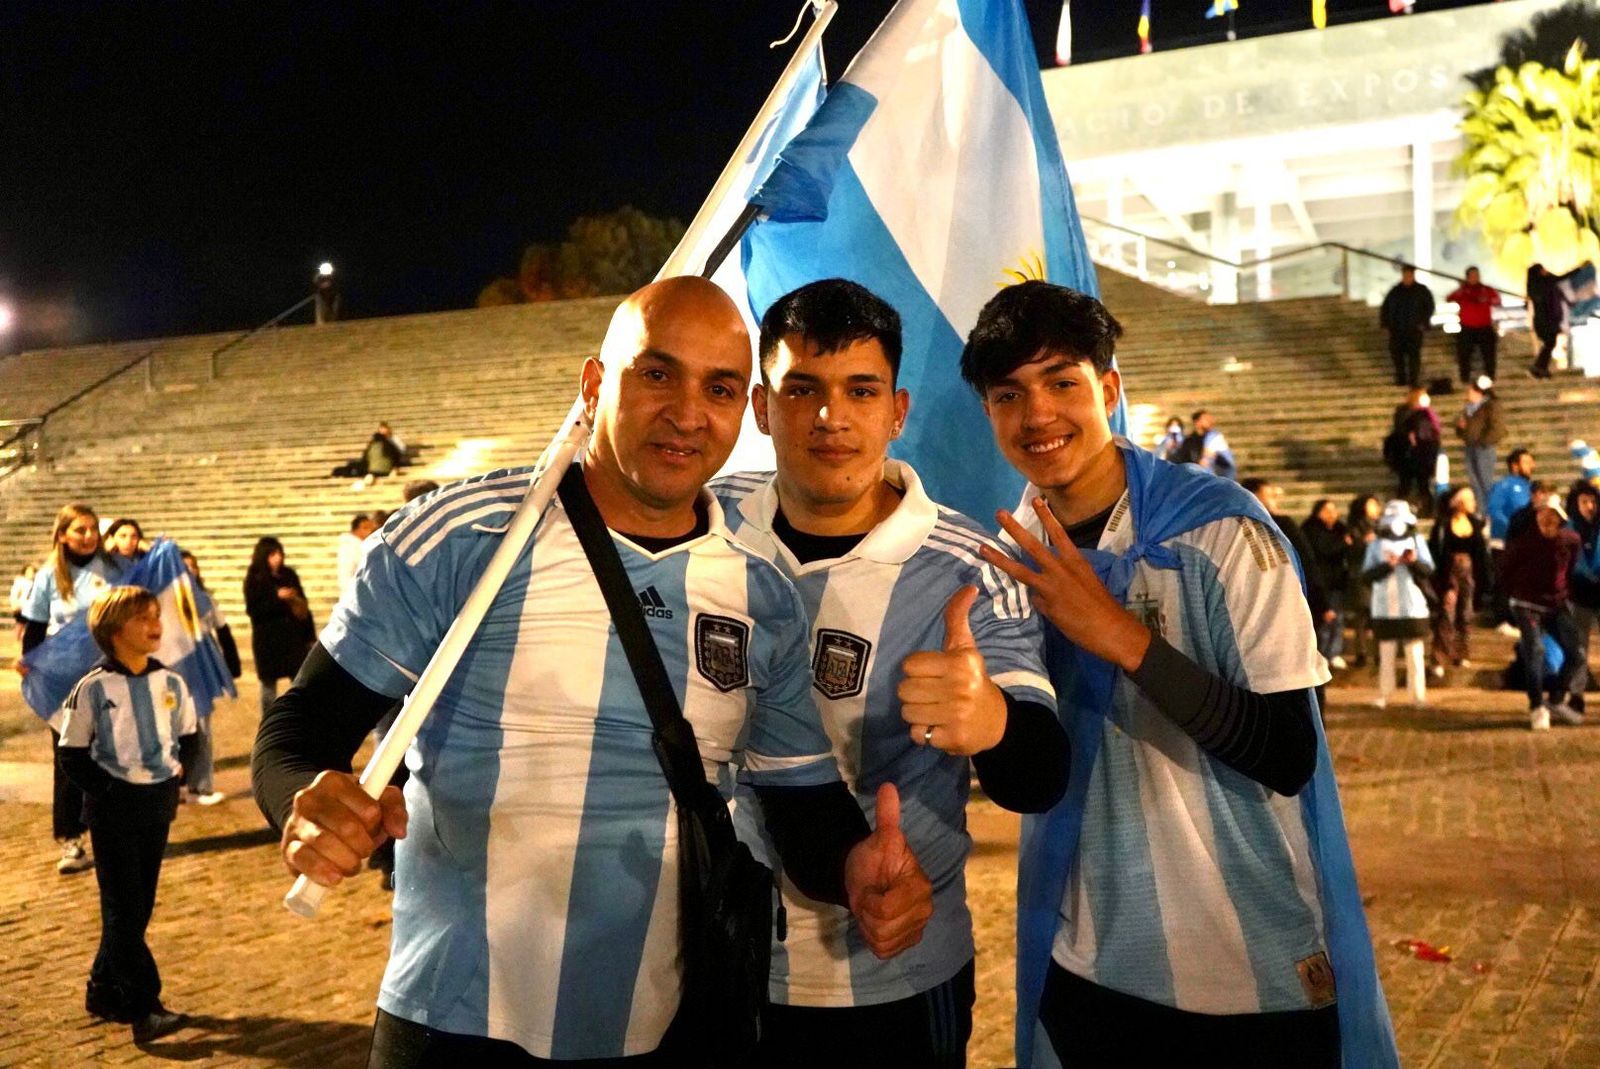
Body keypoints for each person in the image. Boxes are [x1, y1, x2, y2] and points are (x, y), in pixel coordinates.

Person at [252, 277, 936, 1066]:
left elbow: (800, 801)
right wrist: (299, 798)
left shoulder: (760, 590)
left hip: (661, 1028)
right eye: (656, 373)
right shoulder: (465, 537)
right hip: (457, 1019)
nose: (687, 412)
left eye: (717, 387)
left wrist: (857, 867)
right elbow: (301, 727)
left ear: (742, 408)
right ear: (593, 383)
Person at [958, 281, 1393, 1068]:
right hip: (1090, 962)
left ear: (1111, 389)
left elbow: (1290, 751)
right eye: (1008, 393)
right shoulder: (1010, 558)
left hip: (1250, 966)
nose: (1038, 415)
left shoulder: (1224, 532)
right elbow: (1027, 775)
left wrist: (1122, 638)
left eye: (1063, 382)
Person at [711, 279, 1068, 1068]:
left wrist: (993, 722)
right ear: (763, 408)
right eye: (802, 389)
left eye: (859, 391)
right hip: (707, 971)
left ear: (897, 411)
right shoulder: (707, 524)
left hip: (888, 978)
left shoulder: (967, 566)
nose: (830, 417)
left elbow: (1039, 772)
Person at [56, 585, 197, 1041]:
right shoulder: (93, 687)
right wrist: (107, 790)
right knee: (124, 908)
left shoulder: (171, 681)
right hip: (113, 810)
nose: (155, 624)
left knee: (136, 910)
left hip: (157, 805)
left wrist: (178, 776)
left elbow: (190, 736)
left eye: (156, 615)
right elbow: (72, 753)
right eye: (143, 618)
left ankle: (101, 989)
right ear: (115, 631)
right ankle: (143, 1006)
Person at [20, 503, 123, 876]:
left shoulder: (114, 569)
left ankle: (111, 831)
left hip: (112, 675)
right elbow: (34, 630)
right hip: (65, 682)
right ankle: (71, 838)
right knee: (69, 760)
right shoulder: (49, 577)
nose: (88, 536)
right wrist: (32, 667)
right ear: (62, 534)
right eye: (80, 530)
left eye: (93, 528)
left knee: (113, 755)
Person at [1500, 501, 1585, 729]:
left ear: (1560, 520)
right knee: (1535, 650)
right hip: (1526, 603)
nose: (1548, 521)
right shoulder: (1523, 544)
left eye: (1553, 517)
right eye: (1544, 516)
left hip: (1555, 604)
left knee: (1577, 654)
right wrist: (1512, 599)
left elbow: (1569, 568)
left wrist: (1565, 595)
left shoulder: (1570, 541)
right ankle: (1536, 706)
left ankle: (1556, 698)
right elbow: (1505, 571)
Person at [180, 550, 240, 806]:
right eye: (183, 567)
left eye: (193, 566)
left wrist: (232, 663)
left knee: (203, 726)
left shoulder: (205, 598)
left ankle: (201, 785)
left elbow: (222, 629)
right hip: (176, 668)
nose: (189, 571)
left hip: (201, 667)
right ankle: (177, 785)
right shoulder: (163, 600)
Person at [1362, 500, 1434, 708]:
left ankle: (1418, 695)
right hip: (1384, 605)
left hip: (1412, 604)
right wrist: (1388, 565)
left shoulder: (1417, 541)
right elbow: (1366, 575)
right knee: (1386, 653)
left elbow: (1428, 570)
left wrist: (1412, 561)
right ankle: (1385, 693)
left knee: (1415, 654)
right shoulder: (1375, 544)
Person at [242, 537, 314, 719]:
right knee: (268, 686)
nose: (278, 558)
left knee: (299, 681)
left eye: (279, 553)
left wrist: (309, 635)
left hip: (292, 638)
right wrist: (276, 598)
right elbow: (254, 611)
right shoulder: (255, 579)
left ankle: (300, 718)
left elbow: (304, 606)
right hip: (268, 641)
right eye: (273, 554)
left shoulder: (288, 574)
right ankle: (268, 722)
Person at [1427, 486, 1488, 675]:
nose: (1473, 503)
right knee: (1447, 613)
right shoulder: (1444, 525)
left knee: (1466, 613)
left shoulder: (1475, 523)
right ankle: (1439, 657)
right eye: (1469, 499)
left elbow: (1480, 554)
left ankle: (1462, 654)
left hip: (1469, 573)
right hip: (1449, 573)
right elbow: (1436, 552)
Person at [1301, 499, 1351, 669]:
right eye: (1326, 510)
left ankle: (1334, 653)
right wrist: (1343, 543)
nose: (1331, 514)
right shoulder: (1310, 530)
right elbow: (1323, 550)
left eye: (1334, 510)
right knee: (1323, 620)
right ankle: (1320, 653)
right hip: (1320, 583)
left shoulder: (1341, 530)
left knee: (1338, 619)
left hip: (1337, 582)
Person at [1566, 480, 1600, 713]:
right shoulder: (1569, 528)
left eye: (1592, 502)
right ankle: (1576, 694)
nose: (1589, 506)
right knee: (1579, 648)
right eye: (1584, 501)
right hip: (1578, 594)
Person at [1379, 264, 1435, 387]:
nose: (1407, 277)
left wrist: (1423, 323)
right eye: (1405, 274)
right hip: (1397, 329)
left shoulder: (1421, 290)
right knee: (1397, 355)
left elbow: (1429, 307)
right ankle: (1401, 378)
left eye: (1409, 274)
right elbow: (1386, 308)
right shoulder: (1395, 291)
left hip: (1414, 329)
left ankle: (1413, 380)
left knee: (1414, 355)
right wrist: (1385, 324)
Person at [1454, 376, 1503, 516]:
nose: (1468, 394)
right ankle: (1481, 510)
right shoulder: (1468, 409)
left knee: (1485, 481)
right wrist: (1461, 428)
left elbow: (1497, 428)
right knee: (1474, 481)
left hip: (1484, 448)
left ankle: (1491, 511)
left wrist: (1484, 441)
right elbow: (1462, 428)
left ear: (1478, 392)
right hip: (1470, 447)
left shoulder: (1490, 406)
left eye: (1470, 391)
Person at [1387, 387, 1441, 515]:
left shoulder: (1427, 413)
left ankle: (1427, 509)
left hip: (1424, 453)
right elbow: (1400, 430)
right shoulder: (1404, 412)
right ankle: (1399, 509)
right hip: (1407, 454)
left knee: (1423, 485)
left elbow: (1433, 433)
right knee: (1405, 485)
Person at [1344, 494, 1383, 667]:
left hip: (1379, 573)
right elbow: (1351, 551)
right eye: (1371, 504)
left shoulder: (1382, 526)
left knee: (1377, 615)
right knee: (1362, 615)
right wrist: (1363, 542)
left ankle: (1379, 653)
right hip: (1360, 574)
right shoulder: (1354, 527)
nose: (1375, 507)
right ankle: (1361, 652)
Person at [1446, 267, 1501, 381]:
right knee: (1464, 355)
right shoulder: (1462, 291)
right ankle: (1464, 378)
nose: (1475, 278)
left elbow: (1497, 301)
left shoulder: (1487, 290)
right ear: (1467, 277)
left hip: (1484, 327)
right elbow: (1449, 298)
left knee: (1489, 355)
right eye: (1472, 276)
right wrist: (1463, 289)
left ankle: (1490, 376)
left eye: (1477, 275)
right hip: (1467, 328)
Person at [1527, 262, 1566, 379]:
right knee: (1549, 344)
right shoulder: (1544, 282)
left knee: (1549, 344)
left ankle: (1540, 367)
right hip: (1545, 320)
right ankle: (1539, 367)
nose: (1546, 271)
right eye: (1543, 269)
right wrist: (1579, 268)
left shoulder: (1533, 285)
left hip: (1543, 319)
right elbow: (1560, 278)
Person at [1175, 408, 1236, 480]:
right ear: (1197, 422)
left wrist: (1215, 456)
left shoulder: (1214, 438)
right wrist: (1198, 464)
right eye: (1205, 419)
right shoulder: (1189, 441)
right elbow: (1183, 461)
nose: (1210, 421)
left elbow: (1227, 463)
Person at [336, 512, 379, 600]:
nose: (369, 531)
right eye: (365, 528)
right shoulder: (350, 548)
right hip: (354, 595)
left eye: (371, 528)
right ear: (355, 530)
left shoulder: (362, 545)